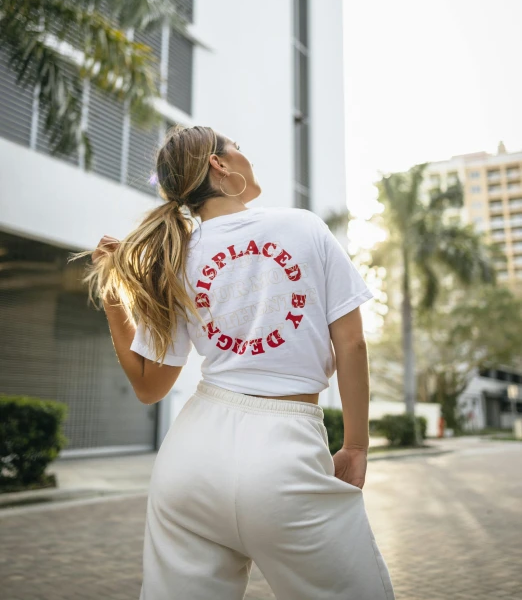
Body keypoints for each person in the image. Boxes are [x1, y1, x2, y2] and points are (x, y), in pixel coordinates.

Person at [86, 124, 395, 600]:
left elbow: (150, 387)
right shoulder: (303, 227)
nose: (243, 155)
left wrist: (114, 303)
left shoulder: (176, 257)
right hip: (284, 453)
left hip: (189, 460)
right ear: (219, 164)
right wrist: (356, 445)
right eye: (236, 147)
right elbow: (352, 346)